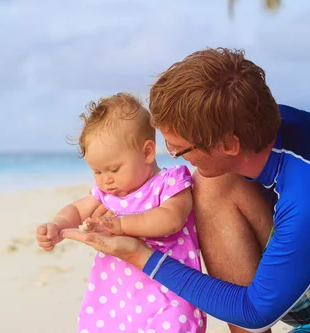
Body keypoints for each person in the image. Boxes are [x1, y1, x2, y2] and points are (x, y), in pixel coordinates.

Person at [62, 48, 310, 333]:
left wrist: (138, 254)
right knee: (211, 184)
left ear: (228, 144)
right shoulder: (251, 121)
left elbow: (254, 311)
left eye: (180, 150)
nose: (176, 159)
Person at [35, 93, 207, 333]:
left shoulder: (169, 182)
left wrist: (121, 225)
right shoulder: (108, 194)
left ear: (147, 152)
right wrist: (56, 225)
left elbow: (171, 219)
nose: (105, 180)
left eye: (113, 169)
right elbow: (76, 208)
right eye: (97, 172)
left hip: (167, 294)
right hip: (115, 295)